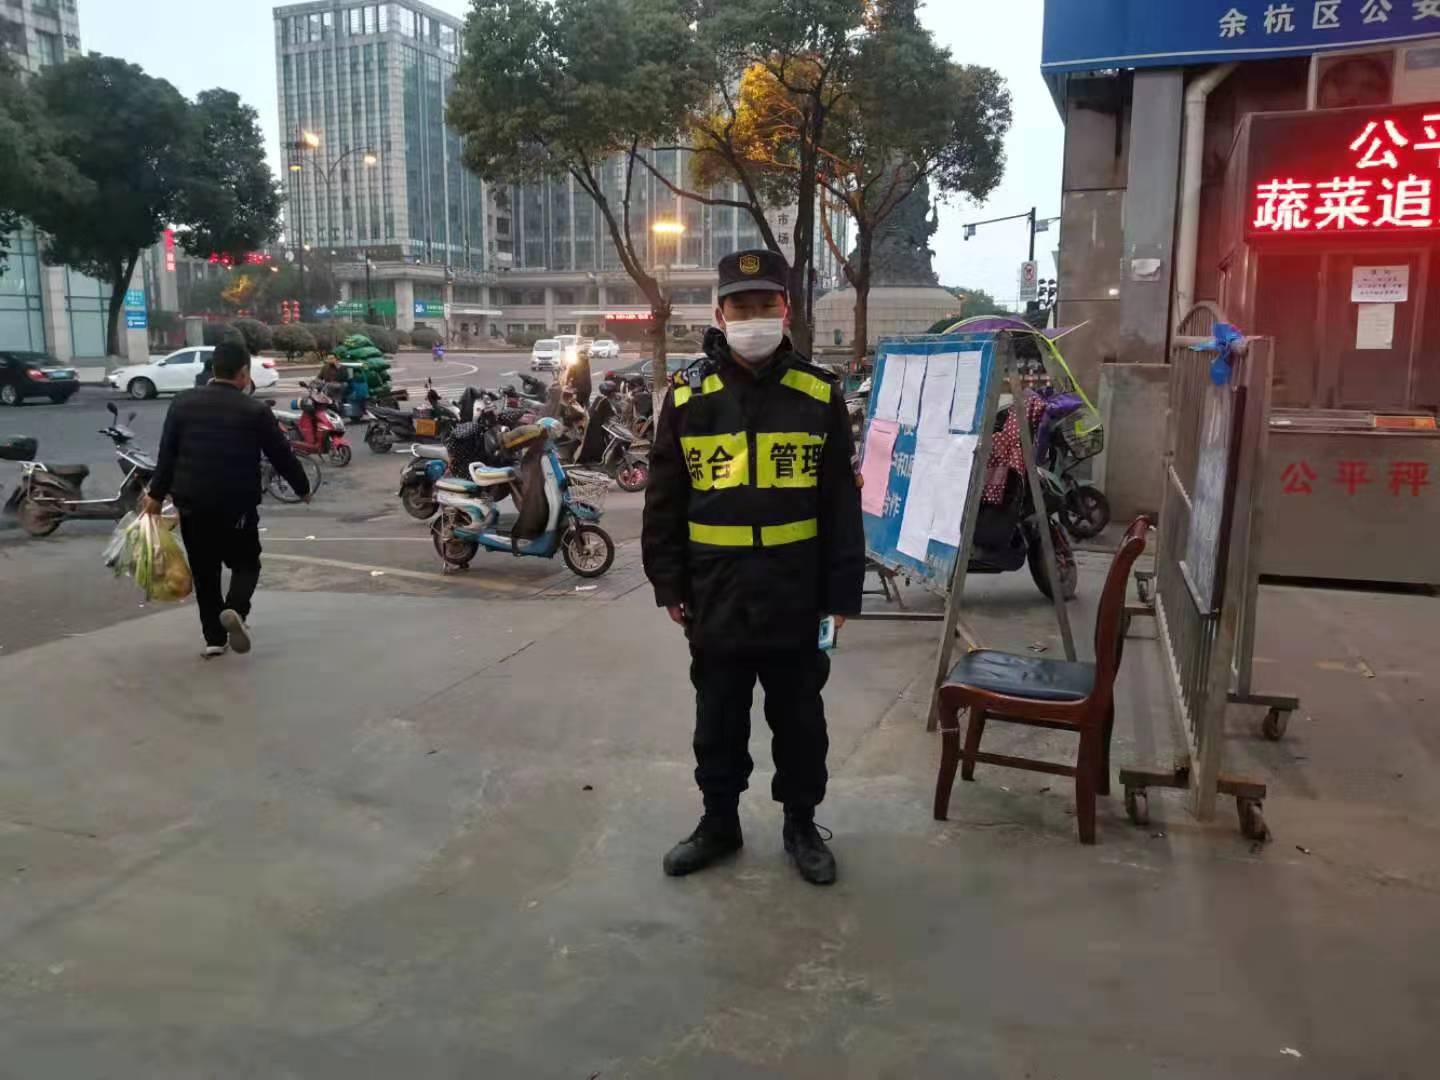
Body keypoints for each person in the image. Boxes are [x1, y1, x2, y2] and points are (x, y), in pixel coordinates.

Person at [642, 248, 865, 886]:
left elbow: (840, 503)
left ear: (786, 310)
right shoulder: (689, 395)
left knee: (800, 719)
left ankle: (801, 825)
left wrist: (840, 594)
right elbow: (664, 498)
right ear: (720, 314)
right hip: (716, 591)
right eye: (741, 306)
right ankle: (719, 823)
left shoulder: (818, 393)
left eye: (766, 303)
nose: (753, 316)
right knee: (718, 716)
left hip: (797, 590)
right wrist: (668, 583)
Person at [138, 339, 312, 658]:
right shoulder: (254, 410)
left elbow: (168, 454)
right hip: (237, 507)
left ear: (213, 369)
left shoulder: (182, 403)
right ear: (243, 373)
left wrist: (156, 495)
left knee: (205, 573)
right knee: (246, 564)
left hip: (192, 505)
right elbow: (281, 454)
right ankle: (235, 609)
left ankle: (214, 640)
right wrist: (302, 488)